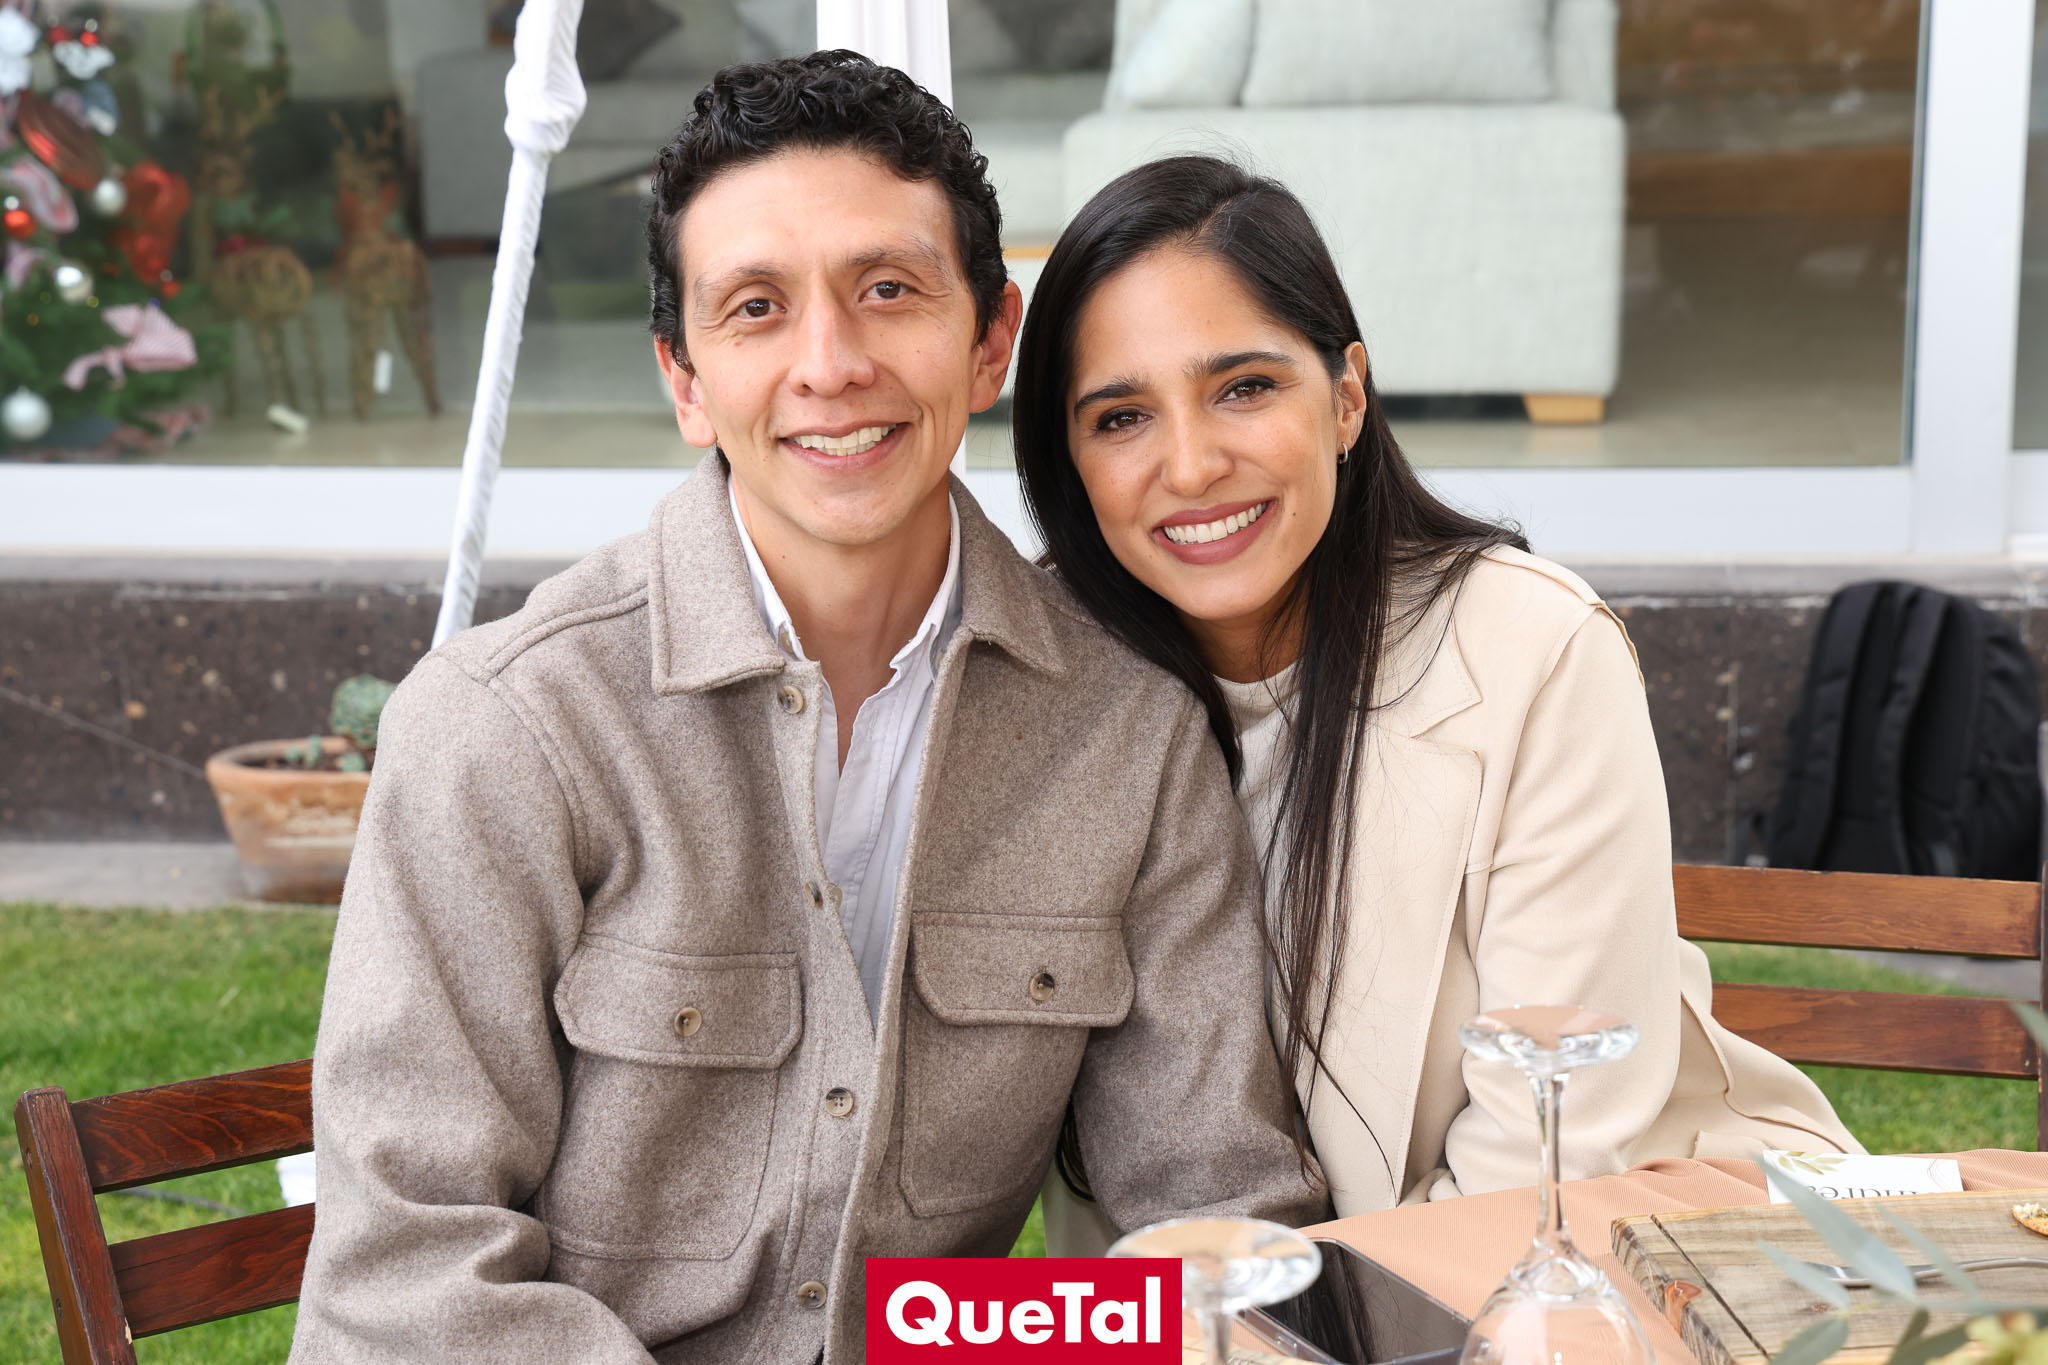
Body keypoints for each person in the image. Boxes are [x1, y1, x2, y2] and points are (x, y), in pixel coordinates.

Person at [289, 66, 1321, 1364]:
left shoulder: (1126, 734)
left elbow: (1218, 1216)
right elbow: (405, 1275)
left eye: (887, 290)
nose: (830, 365)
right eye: (756, 308)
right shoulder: (509, 725)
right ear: (685, 380)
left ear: (989, 340)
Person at [1013, 156, 1860, 1242]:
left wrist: (1292, 1317)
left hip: (1627, 1250)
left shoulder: (1532, 651)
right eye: (1121, 416)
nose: (1189, 466)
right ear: (1069, 459)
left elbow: (1550, 1145)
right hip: (1236, 1302)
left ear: (1346, 397)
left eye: (1244, 388)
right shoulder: (1042, 693)